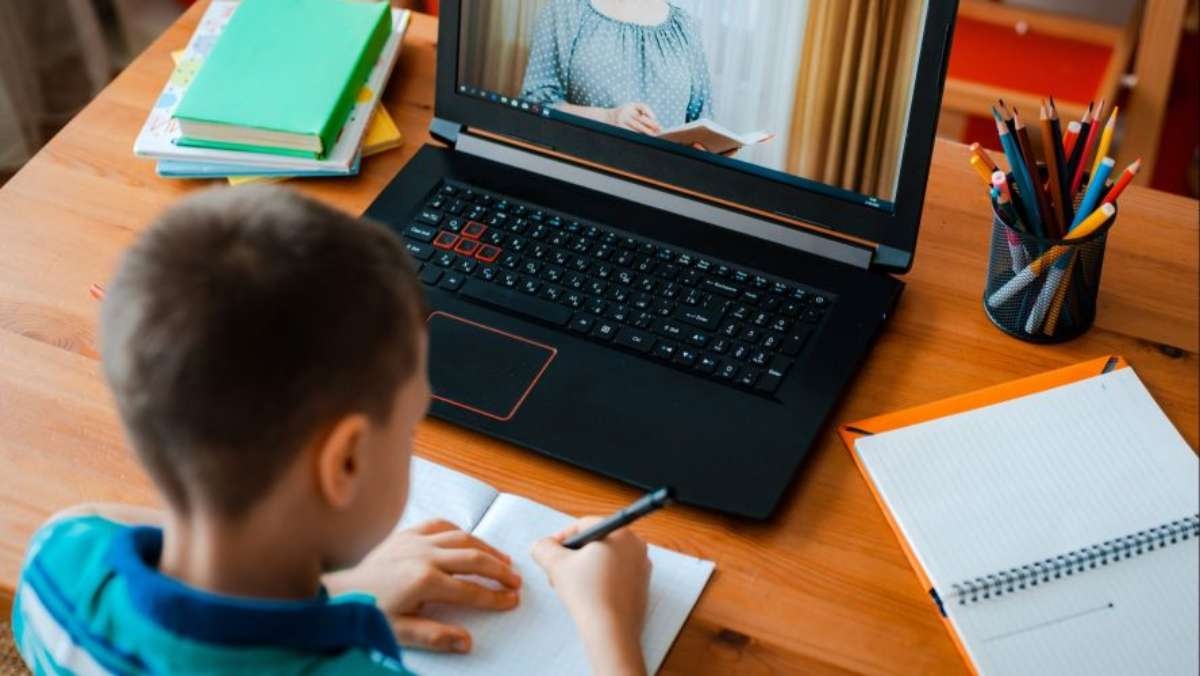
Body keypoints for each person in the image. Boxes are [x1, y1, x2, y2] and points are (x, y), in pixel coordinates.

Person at [10, 186, 653, 675]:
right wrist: (609, 620)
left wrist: (336, 593)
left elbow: (92, 514)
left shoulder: (57, 564)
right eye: (410, 428)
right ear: (343, 462)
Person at [521, 0, 712, 137]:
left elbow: (702, 119)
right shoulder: (565, 10)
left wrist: (708, 146)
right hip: (586, 174)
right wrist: (608, 118)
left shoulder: (685, 26)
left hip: (667, 183)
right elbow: (535, 106)